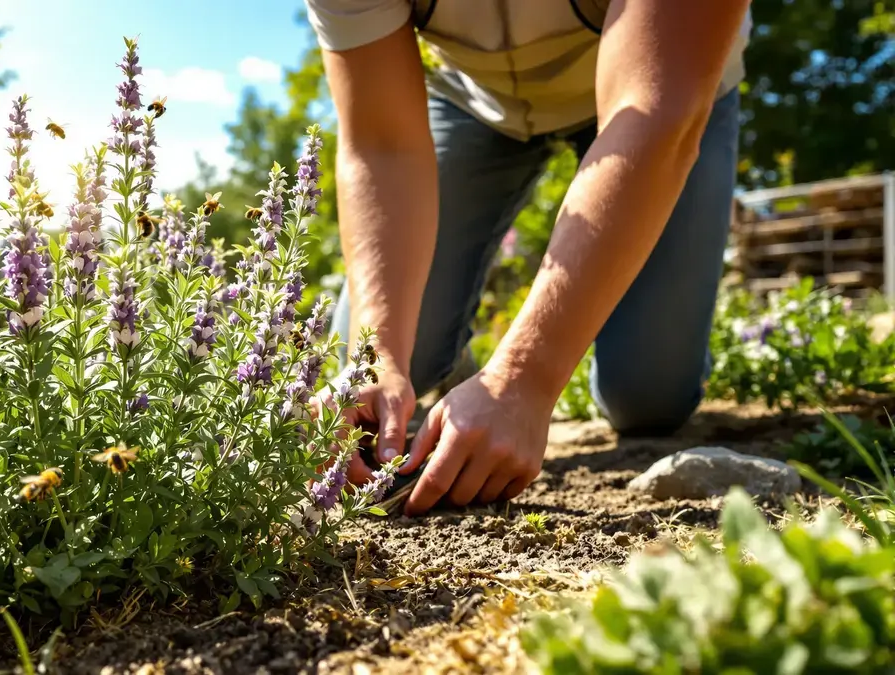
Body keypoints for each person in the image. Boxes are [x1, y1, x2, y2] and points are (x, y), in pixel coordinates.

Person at [306, 0, 753, 515]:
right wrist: (378, 355)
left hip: (663, 89)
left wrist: (523, 380)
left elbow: (657, 113)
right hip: (477, 102)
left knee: (647, 399)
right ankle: (456, 362)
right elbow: (382, 145)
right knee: (372, 375)